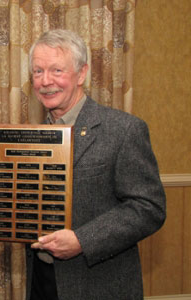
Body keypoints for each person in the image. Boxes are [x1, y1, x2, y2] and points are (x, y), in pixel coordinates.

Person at [26, 29, 166, 300]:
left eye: (57, 70)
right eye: (37, 71)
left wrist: (83, 240)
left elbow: (149, 208)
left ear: (81, 74)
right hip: (42, 282)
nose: (46, 81)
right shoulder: (32, 138)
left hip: (99, 285)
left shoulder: (124, 130)